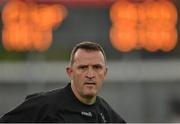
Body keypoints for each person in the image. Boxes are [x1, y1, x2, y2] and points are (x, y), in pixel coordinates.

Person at [0, 41, 126, 123]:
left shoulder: (106, 114)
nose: (90, 75)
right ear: (70, 72)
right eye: (82, 68)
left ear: (105, 73)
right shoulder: (44, 105)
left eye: (97, 67)